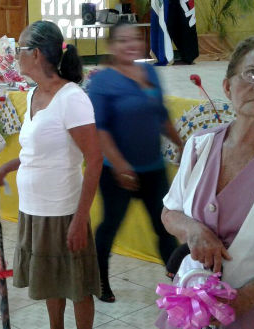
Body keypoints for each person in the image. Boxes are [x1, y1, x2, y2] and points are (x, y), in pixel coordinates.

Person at [158, 33, 254, 329]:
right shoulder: (200, 145)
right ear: (228, 86)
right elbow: (170, 212)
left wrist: (241, 301)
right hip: (189, 311)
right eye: (252, 74)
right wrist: (193, 229)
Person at [0, 21, 102, 329]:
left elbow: (94, 160)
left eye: (19, 48)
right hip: (33, 209)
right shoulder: (33, 94)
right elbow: (37, 150)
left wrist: (80, 219)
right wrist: (7, 168)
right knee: (51, 280)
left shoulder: (72, 99)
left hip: (64, 210)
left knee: (77, 284)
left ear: (35, 53)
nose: (14, 54)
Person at [88, 21, 183, 302]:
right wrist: (119, 164)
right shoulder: (102, 81)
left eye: (134, 39)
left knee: (165, 229)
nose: (130, 44)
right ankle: (99, 280)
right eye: (122, 40)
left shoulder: (150, 71)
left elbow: (161, 114)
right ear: (111, 47)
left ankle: (179, 287)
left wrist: (183, 144)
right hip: (116, 173)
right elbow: (100, 128)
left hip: (154, 169)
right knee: (110, 226)